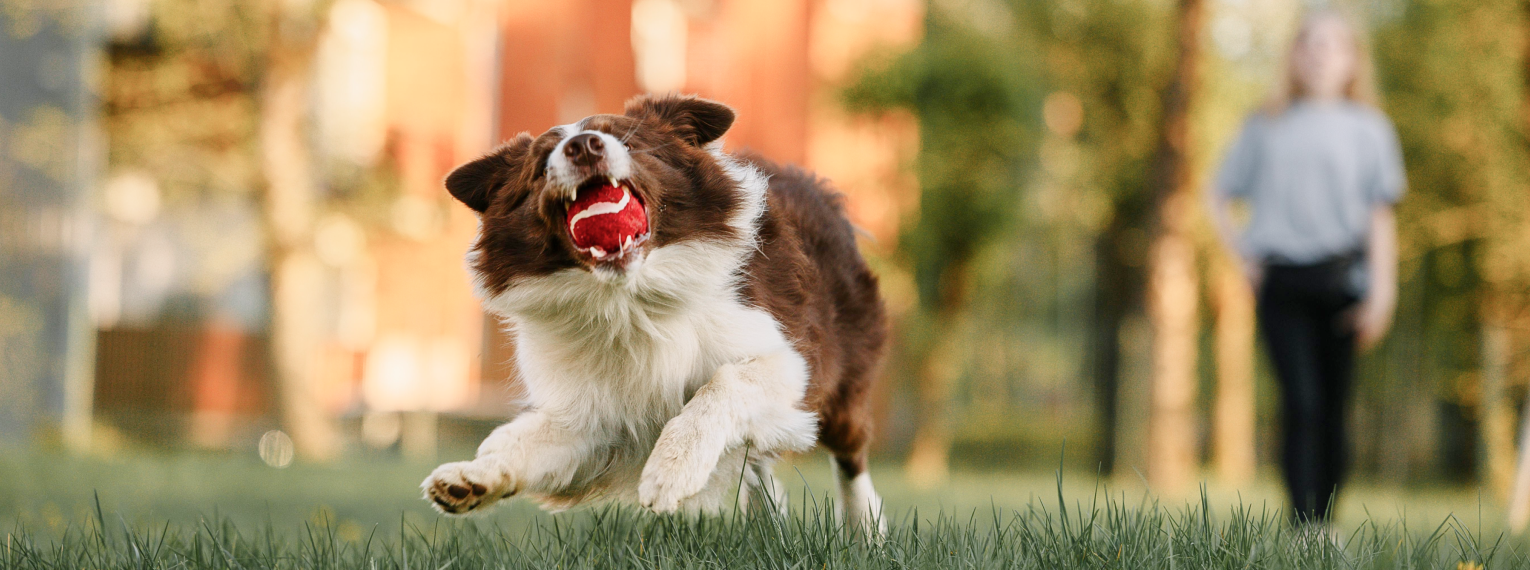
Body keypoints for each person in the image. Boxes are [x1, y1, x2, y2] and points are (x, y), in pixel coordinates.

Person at [1208, 10, 1405, 524]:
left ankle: (1326, 526)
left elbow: (1379, 217)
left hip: (1344, 284)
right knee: (1301, 404)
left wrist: (1382, 293)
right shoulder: (1265, 124)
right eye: (1310, 46)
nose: (1320, 57)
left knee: (1334, 412)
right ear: (1294, 56)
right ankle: (1302, 527)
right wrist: (1242, 256)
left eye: (1332, 47)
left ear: (1351, 61)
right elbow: (1218, 194)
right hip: (1282, 284)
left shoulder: (1370, 130)